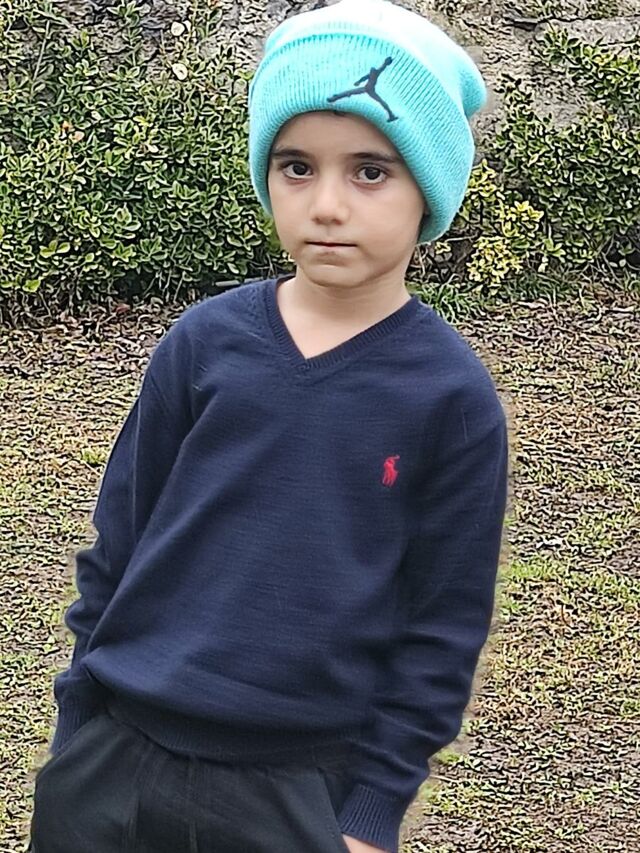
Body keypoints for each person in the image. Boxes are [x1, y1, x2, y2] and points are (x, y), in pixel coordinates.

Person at [28, 1, 509, 851]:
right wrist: (78, 733)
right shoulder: (202, 343)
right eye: (296, 166)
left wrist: (371, 811)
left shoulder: (451, 398)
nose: (327, 205)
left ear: (429, 186)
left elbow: (442, 626)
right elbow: (118, 545)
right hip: (114, 761)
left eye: (370, 171)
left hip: (294, 786)